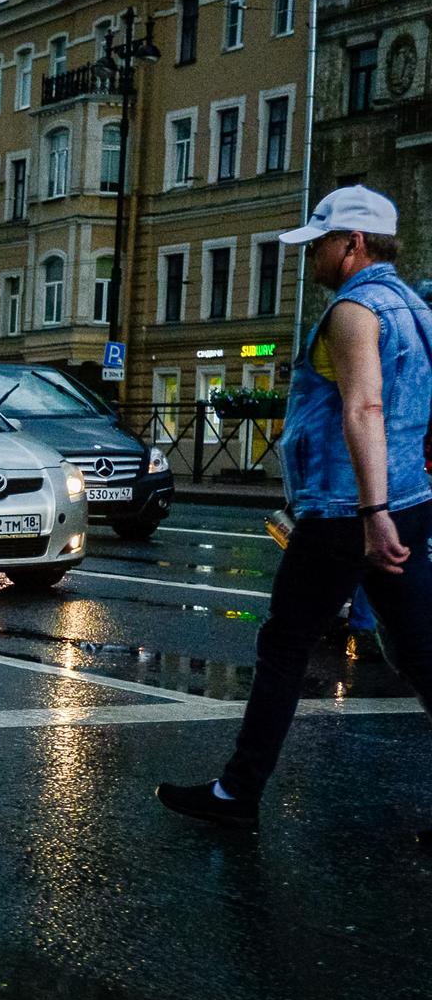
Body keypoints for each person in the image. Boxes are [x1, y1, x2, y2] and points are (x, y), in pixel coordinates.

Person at [159, 186, 432, 840]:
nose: (312, 257)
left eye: (320, 244)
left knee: (284, 643)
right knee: (423, 653)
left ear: (354, 245)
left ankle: (237, 792)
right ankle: (237, 789)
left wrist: (371, 510)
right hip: (409, 501)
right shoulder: (418, 309)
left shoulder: (354, 309)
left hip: (349, 508)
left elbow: (361, 408)